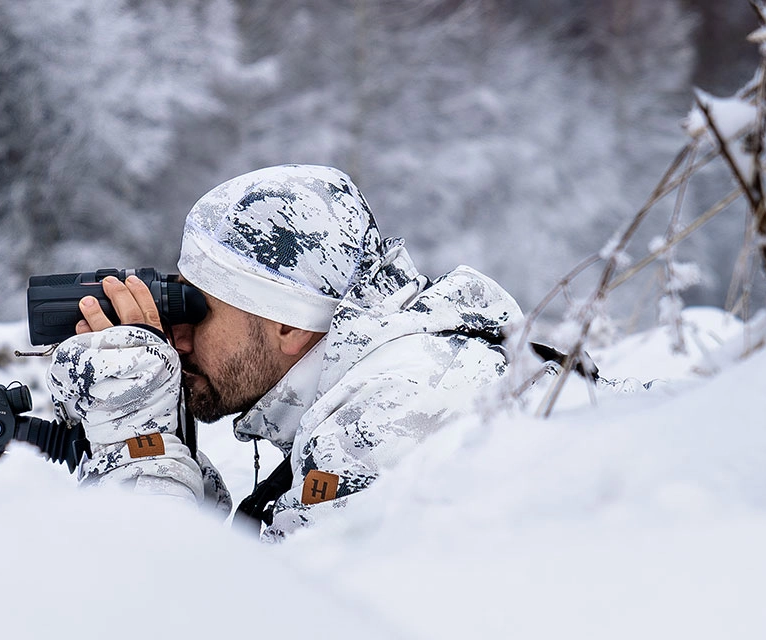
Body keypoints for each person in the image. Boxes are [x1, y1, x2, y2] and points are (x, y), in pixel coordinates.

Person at [47, 164, 521, 540]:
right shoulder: (394, 377)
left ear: (288, 324)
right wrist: (165, 447)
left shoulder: (391, 417)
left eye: (198, 309)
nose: (178, 338)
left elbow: (228, 618)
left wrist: (136, 446)